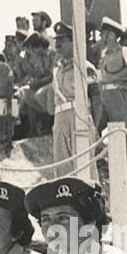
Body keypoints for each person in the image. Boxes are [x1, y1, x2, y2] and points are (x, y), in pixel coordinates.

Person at [49, 23, 95, 177]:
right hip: (60, 117)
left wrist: (95, 124)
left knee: (84, 165)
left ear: (73, 42)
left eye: (62, 40)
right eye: (56, 40)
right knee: (62, 166)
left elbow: (96, 98)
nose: (58, 44)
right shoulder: (58, 69)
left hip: (79, 116)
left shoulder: (84, 67)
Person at [95, 18, 127, 131]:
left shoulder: (124, 52)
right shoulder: (104, 53)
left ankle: (123, 150)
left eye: (102, 34)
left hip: (118, 95)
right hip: (104, 95)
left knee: (120, 130)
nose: (100, 36)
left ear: (111, 35)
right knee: (95, 130)